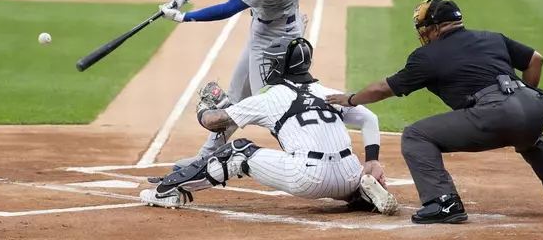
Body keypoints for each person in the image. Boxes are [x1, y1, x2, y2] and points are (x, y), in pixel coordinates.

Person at [326, 0, 543, 225]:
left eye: (425, 28)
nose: (424, 33)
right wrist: (520, 98)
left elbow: (384, 88)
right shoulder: (492, 37)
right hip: (534, 104)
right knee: (530, 137)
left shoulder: (427, 56)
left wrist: (351, 99)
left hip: (494, 111)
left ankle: (444, 202)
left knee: (416, 136)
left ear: (437, 27)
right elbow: (535, 59)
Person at [140, 37, 398, 215]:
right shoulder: (328, 92)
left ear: (281, 66)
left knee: (237, 151)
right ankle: (359, 194)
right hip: (349, 173)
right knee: (339, 175)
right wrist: (372, 159)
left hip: (307, 177)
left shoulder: (271, 97)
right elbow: (369, 119)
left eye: (272, 62)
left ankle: (168, 191)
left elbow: (213, 122)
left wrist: (205, 108)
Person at [159, 0, 308, 169]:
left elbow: (229, 8)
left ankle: (310, 157)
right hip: (267, 28)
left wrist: (185, 17)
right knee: (236, 99)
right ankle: (206, 158)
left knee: (272, 107)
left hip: (277, 40)